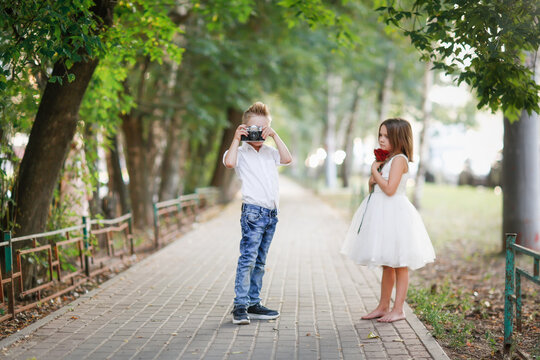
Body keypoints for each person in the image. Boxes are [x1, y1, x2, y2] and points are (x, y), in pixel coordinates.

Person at [341, 118, 435, 323]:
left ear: (398, 138)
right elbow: (375, 188)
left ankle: (398, 309)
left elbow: (391, 189)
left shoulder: (400, 159)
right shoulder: (388, 160)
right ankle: (383, 306)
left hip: (395, 214)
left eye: (386, 136)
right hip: (382, 213)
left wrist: (374, 170)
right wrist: (373, 179)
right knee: (387, 263)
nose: (381, 140)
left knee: (400, 263)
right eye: (380, 135)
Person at [223, 102, 292, 325]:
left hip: (272, 213)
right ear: (244, 128)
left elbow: (287, 158)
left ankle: (254, 303)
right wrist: (236, 138)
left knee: (260, 262)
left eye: (264, 129)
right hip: (253, 213)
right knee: (248, 260)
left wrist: (274, 135)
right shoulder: (240, 152)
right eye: (254, 129)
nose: (259, 134)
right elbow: (229, 162)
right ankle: (240, 306)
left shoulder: (271, 152)